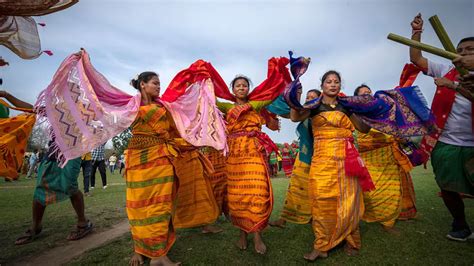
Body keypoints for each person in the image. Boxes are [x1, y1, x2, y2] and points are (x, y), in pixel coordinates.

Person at [290, 70, 371, 261]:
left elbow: (364, 129)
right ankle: (322, 244)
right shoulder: (314, 105)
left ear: (340, 86)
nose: (333, 84)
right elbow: (295, 117)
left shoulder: (347, 107)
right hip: (322, 160)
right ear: (322, 86)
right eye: (329, 81)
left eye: (336, 82)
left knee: (348, 200)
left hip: (346, 160)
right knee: (321, 199)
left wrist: (366, 110)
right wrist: (296, 97)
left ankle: (350, 239)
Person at [410, 13, 474, 241]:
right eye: (461, 50)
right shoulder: (446, 69)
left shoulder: (454, 79)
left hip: (472, 143)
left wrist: (454, 86)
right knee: (447, 186)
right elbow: (417, 58)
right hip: (445, 141)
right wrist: (417, 32)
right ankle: (460, 223)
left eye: (470, 50)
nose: (464, 53)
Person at [217, 73, 285, 255]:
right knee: (238, 196)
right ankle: (242, 234)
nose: (241, 88)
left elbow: (272, 94)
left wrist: (282, 75)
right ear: (232, 90)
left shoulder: (257, 104)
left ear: (248, 89)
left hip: (253, 151)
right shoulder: (227, 106)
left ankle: (257, 236)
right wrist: (201, 79)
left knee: (257, 191)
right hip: (235, 155)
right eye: (237, 85)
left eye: (244, 85)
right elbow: (210, 100)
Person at [354, 85, 417, 232]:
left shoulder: (385, 112)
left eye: (369, 92)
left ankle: (388, 222)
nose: (368, 95)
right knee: (371, 192)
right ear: (357, 98)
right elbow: (362, 138)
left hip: (388, 158)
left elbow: (395, 131)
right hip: (369, 160)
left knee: (391, 190)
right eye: (363, 94)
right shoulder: (356, 114)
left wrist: (398, 138)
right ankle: (372, 215)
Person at [269, 89, 320, 228]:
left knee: (316, 191)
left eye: (313, 97)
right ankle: (283, 219)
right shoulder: (303, 113)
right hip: (302, 159)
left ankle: (313, 217)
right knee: (294, 190)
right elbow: (287, 113)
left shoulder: (322, 115)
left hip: (319, 159)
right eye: (307, 97)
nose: (309, 99)